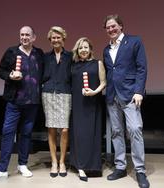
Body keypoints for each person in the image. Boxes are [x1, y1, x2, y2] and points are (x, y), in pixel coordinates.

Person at [0, 26, 44, 183]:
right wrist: (10, 75)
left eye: (27, 35)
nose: (24, 37)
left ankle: (23, 164)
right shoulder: (11, 52)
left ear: (34, 37)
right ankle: (1, 169)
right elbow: (1, 71)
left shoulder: (39, 53)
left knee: (27, 133)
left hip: (33, 102)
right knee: (8, 132)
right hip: (14, 101)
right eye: (22, 35)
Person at [103, 14, 150, 188]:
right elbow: (110, 72)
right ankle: (120, 166)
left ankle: (140, 170)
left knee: (135, 129)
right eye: (108, 27)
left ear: (121, 26)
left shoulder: (134, 42)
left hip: (130, 94)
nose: (111, 29)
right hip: (112, 96)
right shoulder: (106, 50)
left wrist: (139, 91)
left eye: (113, 26)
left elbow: (142, 68)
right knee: (116, 132)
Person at [70, 37, 106, 182]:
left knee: (93, 133)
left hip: (93, 102)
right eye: (80, 48)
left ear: (90, 49)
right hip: (78, 104)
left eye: (86, 47)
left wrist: (94, 92)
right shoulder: (73, 66)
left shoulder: (98, 64)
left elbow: (104, 82)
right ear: (77, 51)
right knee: (79, 135)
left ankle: (93, 165)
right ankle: (80, 166)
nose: (83, 50)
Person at [42, 26, 72, 177]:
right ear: (50, 40)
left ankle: (62, 162)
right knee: (51, 129)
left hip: (65, 94)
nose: (55, 40)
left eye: (58, 37)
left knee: (64, 129)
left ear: (63, 38)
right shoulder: (45, 57)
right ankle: (54, 162)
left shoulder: (71, 56)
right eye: (53, 37)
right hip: (48, 94)